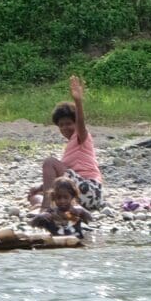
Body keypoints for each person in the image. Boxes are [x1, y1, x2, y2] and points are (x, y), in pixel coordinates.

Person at [40, 74, 104, 225]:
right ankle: (52, 209)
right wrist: (39, 188)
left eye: (68, 123)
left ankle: (46, 208)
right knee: (37, 193)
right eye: (61, 125)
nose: (65, 128)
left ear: (75, 123)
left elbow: (81, 123)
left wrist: (78, 101)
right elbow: (60, 177)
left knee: (49, 162)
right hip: (81, 198)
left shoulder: (81, 137)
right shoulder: (70, 149)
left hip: (90, 190)